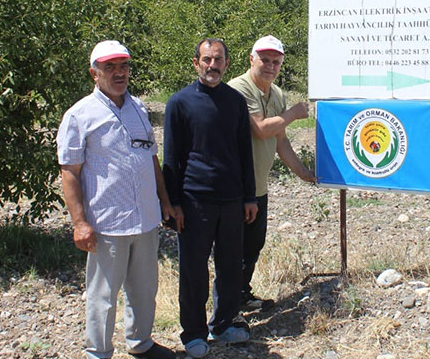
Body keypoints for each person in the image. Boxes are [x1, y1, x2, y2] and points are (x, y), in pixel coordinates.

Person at [57, 40, 181, 359]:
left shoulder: (139, 108)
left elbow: (151, 158)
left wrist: (164, 201)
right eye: (109, 67)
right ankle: (98, 352)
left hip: (145, 218)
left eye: (123, 66)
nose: (118, 73)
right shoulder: (80, 115)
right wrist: (80, 222)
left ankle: (141, 344)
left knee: (143, 290)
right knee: (103, 295)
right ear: (94, 73)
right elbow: (69, 172)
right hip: (106, 222)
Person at [163, 38, 258, 358]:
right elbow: (171, 158)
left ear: (226, 64)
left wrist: (249, 197)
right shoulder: (180, 103)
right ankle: (193, 333)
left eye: (218, 60)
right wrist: (173, 204)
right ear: (195, 63)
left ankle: (223, 323)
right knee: (193, 270)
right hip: (194, 201)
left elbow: (245, 152)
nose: (212, 65)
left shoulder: (235, 101)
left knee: (230, 266)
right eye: (206, 59)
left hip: (232, 200)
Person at [228, 35, 317, 312]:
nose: (270, 66)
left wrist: (303, 173)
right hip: (235, 187)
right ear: (251, 59)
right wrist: (293, 113)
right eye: (264, 60)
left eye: (275, 62)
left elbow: (280, 140)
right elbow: (261, 129)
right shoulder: (238, 89)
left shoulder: (276, 93)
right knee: (233, 249)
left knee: (253, 245)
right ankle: (227, 310)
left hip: (258, 186)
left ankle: (242, 297)